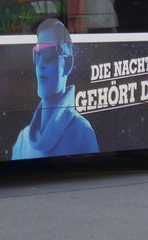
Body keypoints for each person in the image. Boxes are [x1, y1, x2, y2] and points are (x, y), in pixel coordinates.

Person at [12, 18, 99, 159]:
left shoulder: (82, 132)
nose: (40, 64)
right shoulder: (22, 141)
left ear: (68, 64)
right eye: (37, 54)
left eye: (49, 53)